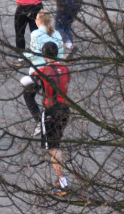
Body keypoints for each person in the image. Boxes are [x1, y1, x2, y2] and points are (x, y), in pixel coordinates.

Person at [35, 41, 72, 196]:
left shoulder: (42, 71)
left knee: (53, 148)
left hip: (51, 110)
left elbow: (28, 82)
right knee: (56, 144)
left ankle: (63, 182)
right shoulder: (66, 69)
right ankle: (60, 178)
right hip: (65, 109)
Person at [21, 11, 64, 137]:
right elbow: (61, 54)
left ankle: (40, 122)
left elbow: (34, 53)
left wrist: (23, 56)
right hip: (54, 71)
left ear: (39, 21)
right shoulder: (57, 34)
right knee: (49, 99)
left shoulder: (36, 34)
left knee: (28, 96)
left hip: (39, 71)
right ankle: (52, 124)